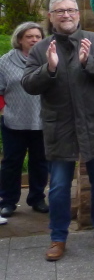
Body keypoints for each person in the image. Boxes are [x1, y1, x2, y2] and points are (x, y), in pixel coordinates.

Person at [22, 0, 94, 261]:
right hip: (60, 127)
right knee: (58, 187)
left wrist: (90, 62)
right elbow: (28, 84)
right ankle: (58, 237)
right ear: (51, 16)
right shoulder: (41, 49)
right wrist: (49, 68)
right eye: (60, 11)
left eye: (71, 10)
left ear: (78, 13)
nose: (66, 15)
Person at [0, 22, 48, 220]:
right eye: (29, 36)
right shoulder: (5, 62)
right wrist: (3, 111)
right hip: (14, 122)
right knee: (11, 163)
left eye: (38, 36)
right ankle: (8, 201)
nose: (34, 40)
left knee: (40, 162)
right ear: (20, 39)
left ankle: (37, 198)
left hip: (42, 121)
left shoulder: (49, 59)